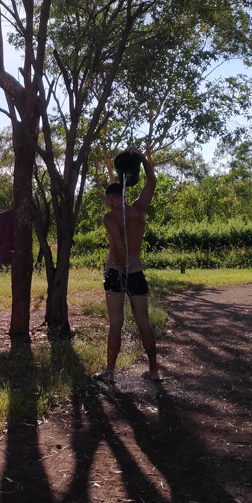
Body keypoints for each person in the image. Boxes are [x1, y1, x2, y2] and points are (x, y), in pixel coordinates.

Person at [99, 147, 159, 383]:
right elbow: (151, 182)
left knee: (116, 323)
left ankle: (111, 374)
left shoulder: (110, 216)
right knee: (143, 322)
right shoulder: (138, 210)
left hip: (116, 272)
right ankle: (154, 370)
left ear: (110, 198)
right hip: (136, 271)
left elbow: (119, 248)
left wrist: (120, 270)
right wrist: (142, 158)